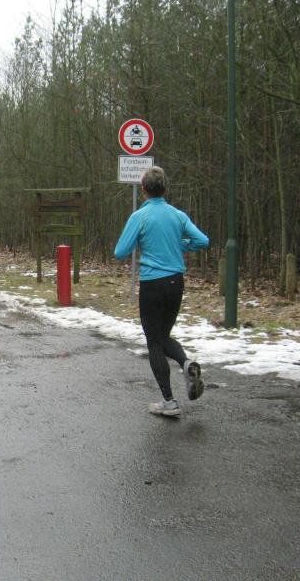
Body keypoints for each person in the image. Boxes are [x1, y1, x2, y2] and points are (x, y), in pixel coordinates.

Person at [114, 166, 209, 417]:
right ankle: (186, 364)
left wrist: (141, 241)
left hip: (152, 284)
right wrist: (180, 244)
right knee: (163, 336)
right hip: (176, 283)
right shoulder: (178, 215)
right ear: (165, 189)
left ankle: (169, 401)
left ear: (144, 189)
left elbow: (120, 252)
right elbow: (203, 241)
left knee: (154, 342)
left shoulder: (139, 217)